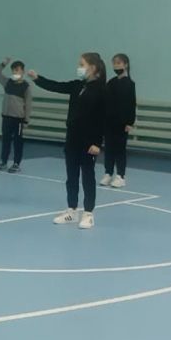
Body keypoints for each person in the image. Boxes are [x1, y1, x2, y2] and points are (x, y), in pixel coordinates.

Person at [28, 53, 106, 229]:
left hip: (89, 142)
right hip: (72, 138)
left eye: (82, 64)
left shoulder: (101, 90)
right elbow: (56, 86)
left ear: (93, 68)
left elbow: (102, 119)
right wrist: (37, 78)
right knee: (71, 176)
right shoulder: (77, 85)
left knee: (87, 176)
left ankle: (88, 213)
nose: (79, 68)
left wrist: (97, 143)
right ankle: (72, 210)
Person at [101, 53, 136, 189]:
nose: (116, 66)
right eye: (114, 63)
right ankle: (108, 173)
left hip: (122, 123)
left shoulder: (130, 84)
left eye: (119, 63)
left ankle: (121, 175)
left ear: (125, 65)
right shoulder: (111, 83)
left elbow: (131, 104)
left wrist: (130, 122)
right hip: (109, 121)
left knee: (120, 149)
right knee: (109, 148)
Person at [0, 57, 33, 173]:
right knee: (5, 140)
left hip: (18, 119)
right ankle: (4, 161)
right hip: (6, 117)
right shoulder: (7, 82)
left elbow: (28, 104)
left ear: (22, 71)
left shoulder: (26, 86)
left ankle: (16, 163)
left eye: (18, 70)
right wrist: (4, 63)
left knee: (18, 141)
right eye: (14, 70)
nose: (15, 72)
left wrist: (26, 120)